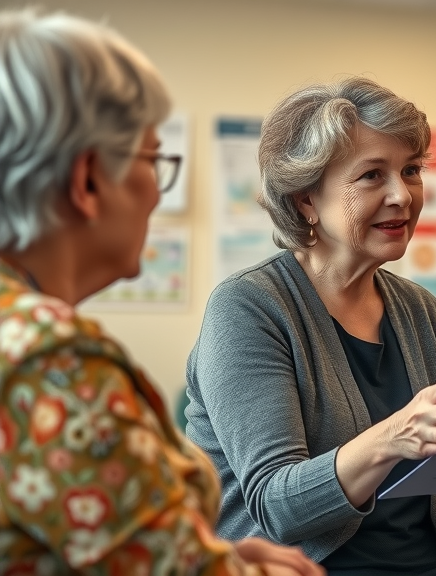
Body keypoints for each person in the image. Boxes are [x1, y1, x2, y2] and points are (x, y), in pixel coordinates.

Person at [184, 78, 436, 576]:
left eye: (411, 170)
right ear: (307, 200)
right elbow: (276, 507)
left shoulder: (421, 311)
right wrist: (391, 437)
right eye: (371, 175)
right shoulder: (248, 308)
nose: (402, 196)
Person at [0, 9, 322, 575]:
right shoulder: (50, 361)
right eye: (153, 159)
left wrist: (222, 553)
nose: (156, 192)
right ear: (89, 181)